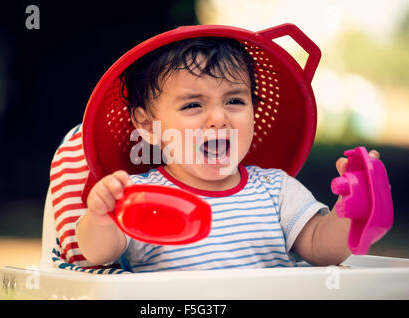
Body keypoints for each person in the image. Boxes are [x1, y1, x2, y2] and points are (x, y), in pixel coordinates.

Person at [49, 28, 381, 273]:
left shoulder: (276, 190)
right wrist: (103, 217)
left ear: (255, 111)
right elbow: (95, 253)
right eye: (193, 104)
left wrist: (351, 211)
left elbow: (322, 248)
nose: (219, 118)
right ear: (149, 126)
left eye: (235, 101)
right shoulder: (142, 195)